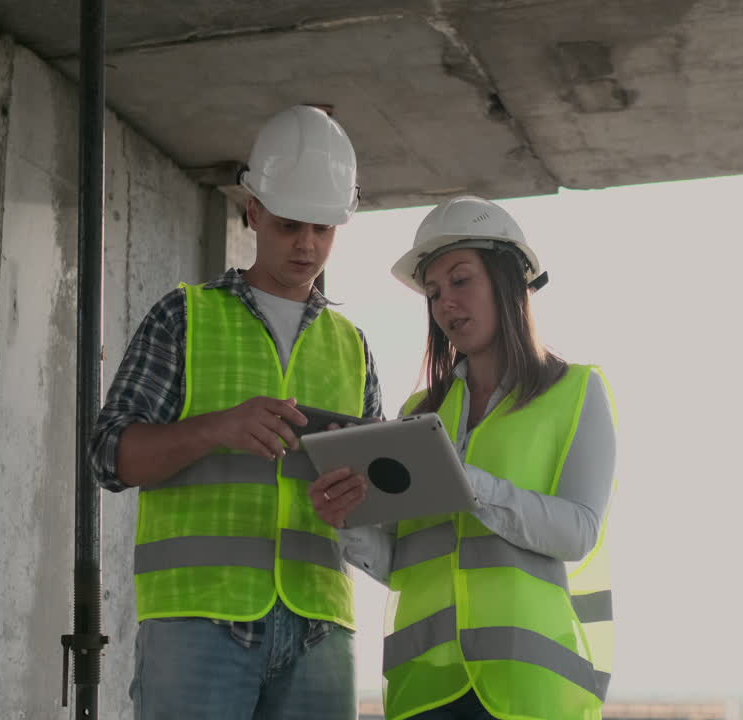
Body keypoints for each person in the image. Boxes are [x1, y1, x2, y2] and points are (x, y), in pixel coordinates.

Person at [92, 105, 381, 720]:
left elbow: (378, 507)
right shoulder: (183, 315)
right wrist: (216, 428)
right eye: (288, 226)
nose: (306, 245)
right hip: (198, 619)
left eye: (323, 230)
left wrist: (363, 497)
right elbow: (108, 455)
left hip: (319, 624)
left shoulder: (353, 345)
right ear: (253, 212)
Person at [310, 195, 618, 720]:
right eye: (433, 293)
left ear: (507, 279)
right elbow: (408, 565)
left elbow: (578, 532)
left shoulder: (577, 392)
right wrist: (349, 524)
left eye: (460, 281)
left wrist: (470, 484)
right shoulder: (416, 415)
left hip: (530, 693)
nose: (445, 303)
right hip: (426, 689)